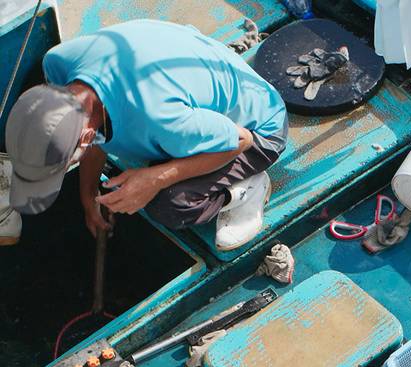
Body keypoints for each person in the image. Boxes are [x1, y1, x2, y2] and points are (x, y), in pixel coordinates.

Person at [4, 19, 287, 251]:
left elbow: (240, 140)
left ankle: (245, 190)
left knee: (171, 205)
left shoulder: (159, 116)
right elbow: (92, 130)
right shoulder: (58, 62)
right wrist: (88, 197)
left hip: (258, 129)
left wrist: (156, 179)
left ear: (87, 135)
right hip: (192, 81)